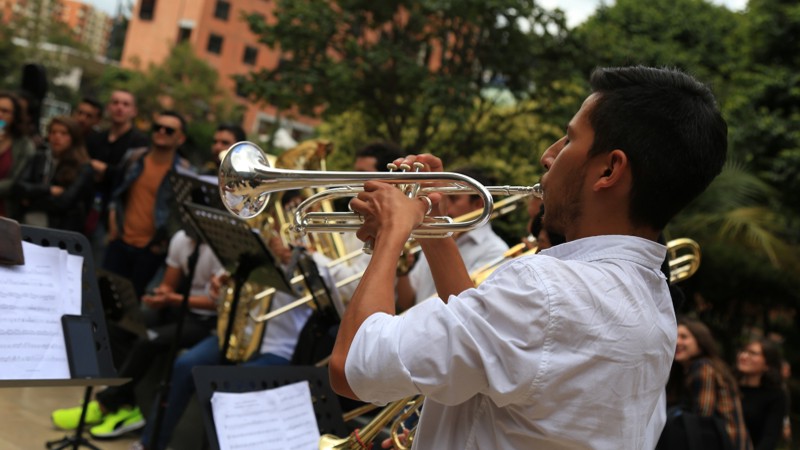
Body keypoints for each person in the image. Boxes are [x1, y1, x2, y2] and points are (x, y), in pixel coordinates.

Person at [329, 66, 729, 449]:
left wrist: (390, 235)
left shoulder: (546, 287)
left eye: (568, 140)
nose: (548, 155)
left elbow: (352, 367)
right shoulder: (652, 299)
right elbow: (490, 342)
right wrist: (435, 229)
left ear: (609, 169)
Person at [50, 227, 223, 439]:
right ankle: (126, 404)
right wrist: (161, 295)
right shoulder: (180, 238)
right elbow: (169, 283)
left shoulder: (218, 248)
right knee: (120, 324)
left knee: (147, 341)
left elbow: (218, 303)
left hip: (206, 321)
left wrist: (172, 299)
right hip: (177, 308)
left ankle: (106, 404)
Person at [103, 110, 193, 298]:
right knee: (104, 298)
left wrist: (163, 244)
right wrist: (112, 223)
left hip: (150, 252)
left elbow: (182, 215)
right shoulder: (134, 158)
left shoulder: (183, 173)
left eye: (169, 130)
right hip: (119, 242)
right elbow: (115, 192)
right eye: (157, 127)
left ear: (181, 138)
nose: (161, 132)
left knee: (133, 309)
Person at [396, 166, 509, 311]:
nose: (445, 206)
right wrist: (402, 269)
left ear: (479, 205)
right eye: (444, 198)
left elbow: (468, 311)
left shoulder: (496, 251)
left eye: (454, 198)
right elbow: (408, 302)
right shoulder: (437, 233)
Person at [664, 317, 752, 449]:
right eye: (675, 336)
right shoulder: (686, 370)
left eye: (684, 337)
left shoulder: (703, 367)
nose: (677, 342)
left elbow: (702, 416)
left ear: (700, 342)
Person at [14, 116, 94, 233]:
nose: (57, 137)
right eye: (53, 132)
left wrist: (30, 200)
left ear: (73, 137)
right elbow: (18, 187)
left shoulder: (83, 167)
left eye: (63, 133)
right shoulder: (39, 157)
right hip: (28, 224)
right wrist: (48, 190)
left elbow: (64, 202)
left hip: (60, 231)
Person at [736, 338, 787, 450]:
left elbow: (769, 438)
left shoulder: (775, 396)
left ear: (767, 365)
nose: (743, 356)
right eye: (743, 351)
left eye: (753, 353)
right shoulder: (728, 385)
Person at [0, 91, 36, 220]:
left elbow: (16, 182)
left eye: (5, 111)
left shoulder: (24, 145)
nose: (0, 115)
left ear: (15, 116)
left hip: (5, 213)